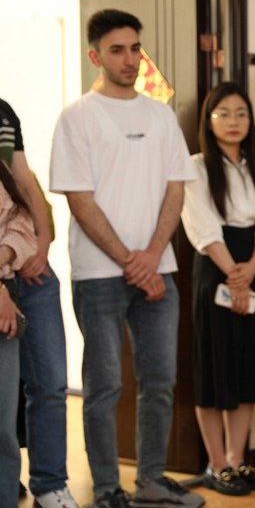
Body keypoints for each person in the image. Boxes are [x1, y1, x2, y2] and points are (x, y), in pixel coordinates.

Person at [49, 9, 204, 507]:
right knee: (104, 387)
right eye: (117, 50)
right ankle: (107, 489)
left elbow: (176, 190)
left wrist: (152, 256)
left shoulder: (160, 115)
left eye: (135, 48)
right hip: (98, 275)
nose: (130, 59)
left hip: (159, 271)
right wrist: (132, 261)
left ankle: (152, 482)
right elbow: (80, 200)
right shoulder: (77, 117)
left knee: (160, 382)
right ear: (95, 56)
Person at [182, 82, 255, 495]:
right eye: (223, 113)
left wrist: (251, 270)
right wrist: (234, 274)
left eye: (241, 113)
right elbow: (202, 225)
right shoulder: (195, 167)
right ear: (208, 121)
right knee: (215, 366)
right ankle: (216, 465)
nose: (233, 121)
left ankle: (237, 459)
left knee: (247, 366)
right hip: (216, 267)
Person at [0, 98, 77, 507]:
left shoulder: (4, 113)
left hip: (30, 266)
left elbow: (23, 181)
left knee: (50, 382)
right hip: (5, 271)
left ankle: (50, 485)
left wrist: (41, 245)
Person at [0, 161, 37, 508]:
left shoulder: (3, 174)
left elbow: (23, 226)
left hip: (5, 299)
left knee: (3, 424)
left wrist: (4, 254)